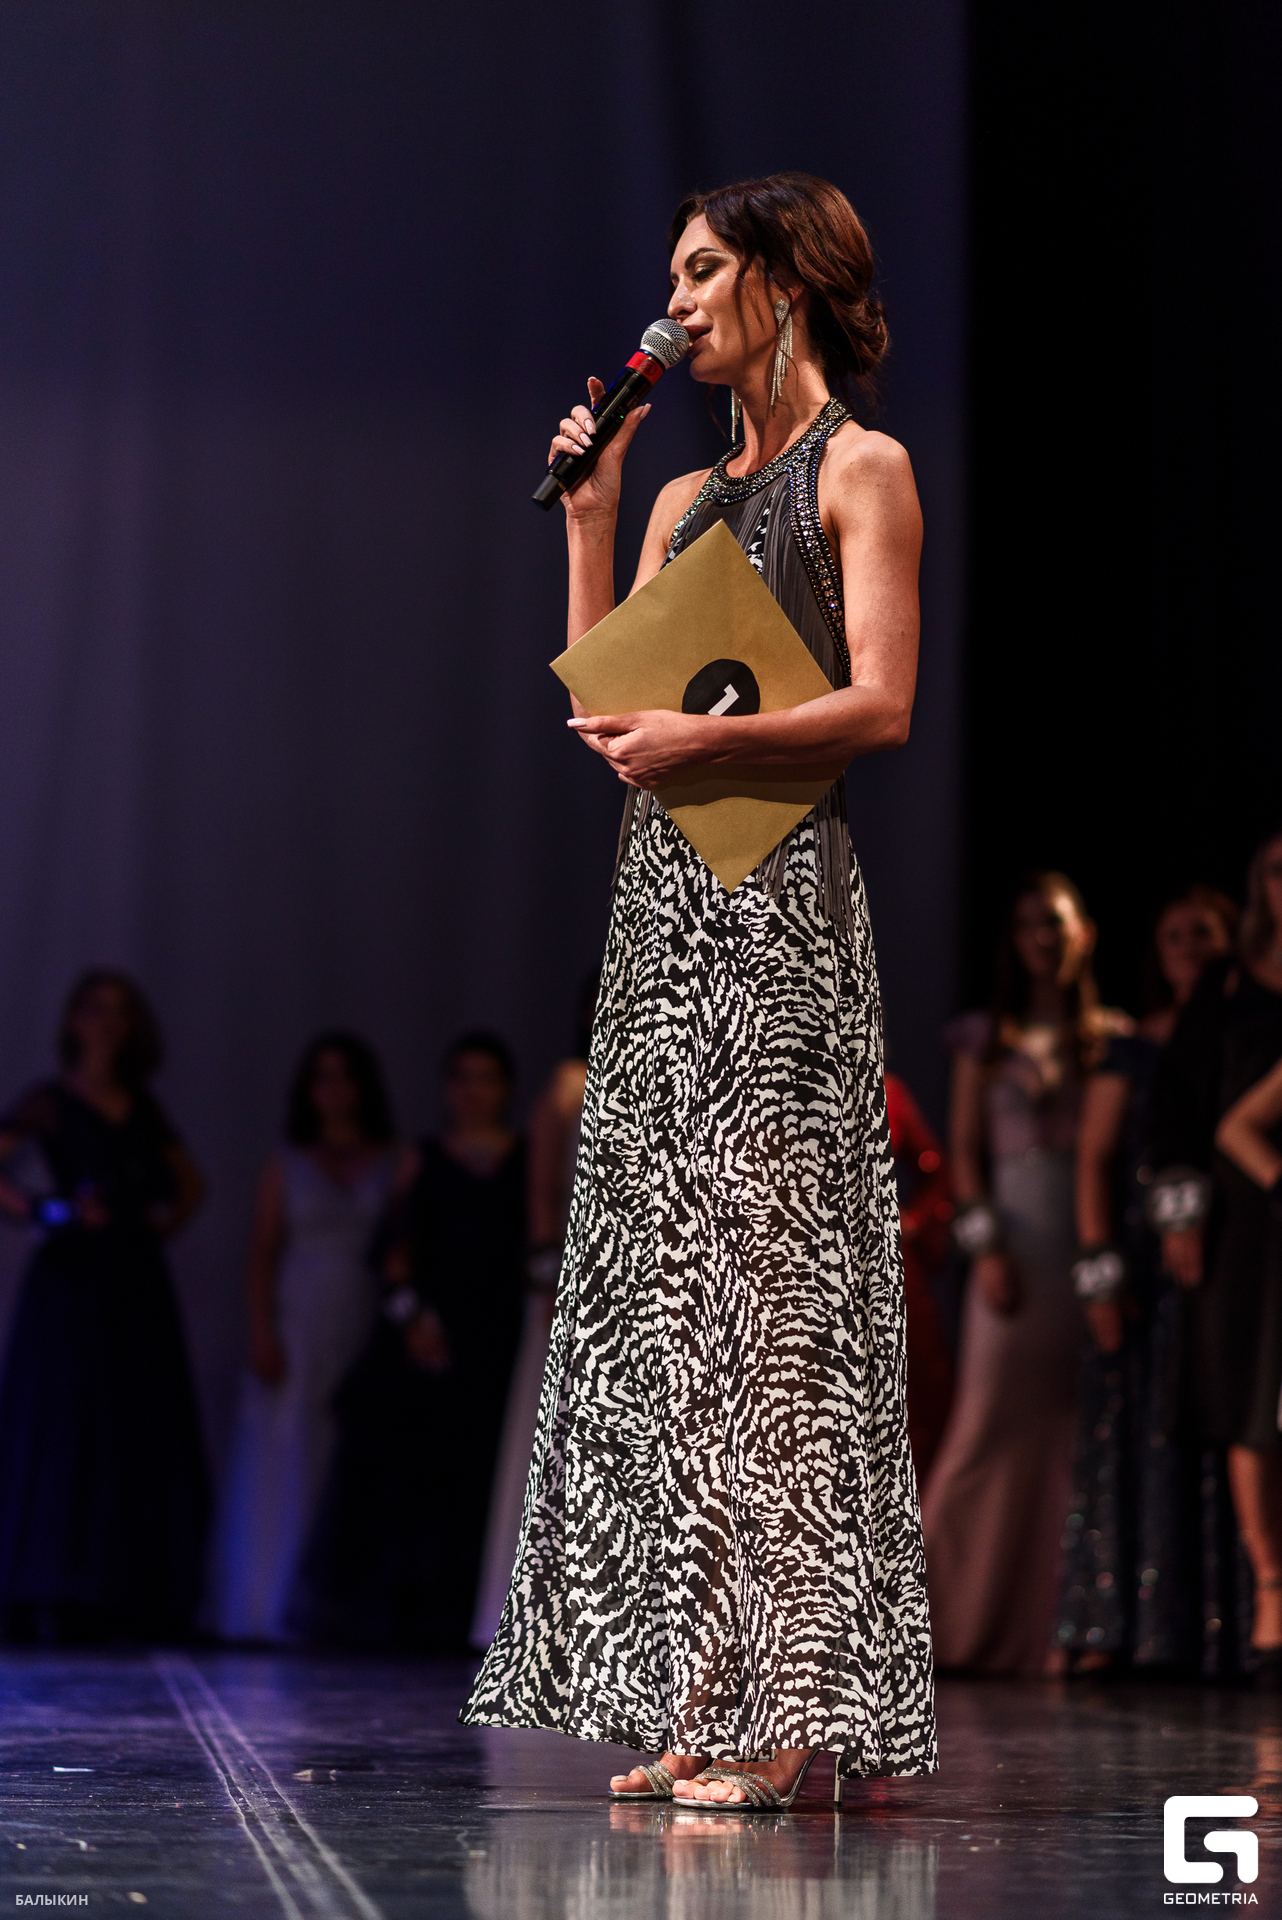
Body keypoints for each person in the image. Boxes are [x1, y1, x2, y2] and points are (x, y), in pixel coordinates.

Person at [464, 171, 935, 1812]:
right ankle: (705, 1690)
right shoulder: (675, 495)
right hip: (666, 919)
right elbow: (614, 715)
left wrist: (706, 739)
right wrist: (591, 519)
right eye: (669, 275)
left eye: (698, 271)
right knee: (682, 1323)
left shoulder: (862, 471)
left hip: (781, 913)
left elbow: (881, 704)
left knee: (774, 1321)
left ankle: (788, 1713)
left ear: (780, 285)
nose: (670, 302)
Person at [921, 873, 1126, 1675]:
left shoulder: (1110, 1038)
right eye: (1029, 924)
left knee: (1072, 1443)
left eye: (1055, 922)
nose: (1043, 937)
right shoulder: (984, 1039)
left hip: (1079, 1252)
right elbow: (965, 1159)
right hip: (1011, 1257)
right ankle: (932, 1630)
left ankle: (1055, 1634)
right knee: (982, 1435)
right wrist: (986, 1250)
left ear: (1084, 935)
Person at [291, 1031, 526, 1650]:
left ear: (505, 1088)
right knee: (412, 1476)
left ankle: (473, 1614)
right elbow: (394, 1249)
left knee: (484, 1474)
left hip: (497, 1332)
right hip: (430, 1333)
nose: (474, 1092)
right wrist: (412, 1314)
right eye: (463, 1078)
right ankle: (405, 1617)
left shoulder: (525, 1157)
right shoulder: (423, 1157)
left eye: (487, 1079)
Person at [1055, 889, 1237, 1674]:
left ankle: (1214, 1629)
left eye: (1204, 933)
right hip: (1140, 1264)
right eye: (1174, 935)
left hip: (1227, 1253)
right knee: (1134, 1426)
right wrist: (1100, 1273)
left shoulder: (1246, 1032)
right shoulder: (1133, 1047)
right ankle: (1118, 1628)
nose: (1189, 946)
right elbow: (1094, 1159)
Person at [0, 970, 207, 1641]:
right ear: (74, 1021)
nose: (107, 1023)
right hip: (71, 1283)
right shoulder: (53, 1101)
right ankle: (54, 1585)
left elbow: (189, 1186)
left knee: (132, 1424)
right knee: (65, 1426)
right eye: (95, 1009)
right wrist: (49, 1211)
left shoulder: (141, 1106)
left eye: (119, 1011)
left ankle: (128, 1590)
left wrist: (152, 1228)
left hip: (131, 1281)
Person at [209, 1033, 414, 1643]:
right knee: (291, 1455)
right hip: (301, 1323)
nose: (335, 1090)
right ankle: (275, 1600)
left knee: (357, 1460)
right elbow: (261, 1255)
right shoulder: (288, 1164)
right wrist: (262, 1330)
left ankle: (347, 1605)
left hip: (365, 1321)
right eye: (323, 1077)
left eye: (346, 1076)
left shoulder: (394, 1159)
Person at [1152, 829, 1282, 1682]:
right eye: (1277, 869)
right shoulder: (1229, 984)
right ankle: (1271, 1589)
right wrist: (1181, 1217)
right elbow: (1179, 1116)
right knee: (1252, 1397)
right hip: (1243, 1224)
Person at [470, 972, 599, 1650]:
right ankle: (546, 1612)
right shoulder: (570, 1085)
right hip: (579, 1282)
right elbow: (543, 1196)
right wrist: (551, 1281)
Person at [883, 1071, 955, 1481]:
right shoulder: (769, 1091)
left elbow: (937, 1174)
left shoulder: (885, 1091)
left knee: (911, 1399)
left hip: (887, 1273)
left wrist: (913, 1220)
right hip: (804, 1277)